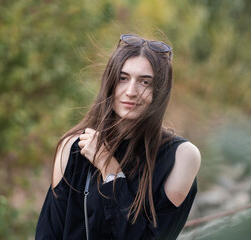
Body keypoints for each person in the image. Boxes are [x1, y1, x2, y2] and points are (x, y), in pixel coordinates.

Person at [35, 34, 201, 240]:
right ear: (110, 83)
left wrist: (110, 169)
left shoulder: (181, 157)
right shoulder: (73, 146)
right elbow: (48, 235)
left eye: (145, 82)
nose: (131, 91)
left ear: (160, 91)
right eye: (123, 78)